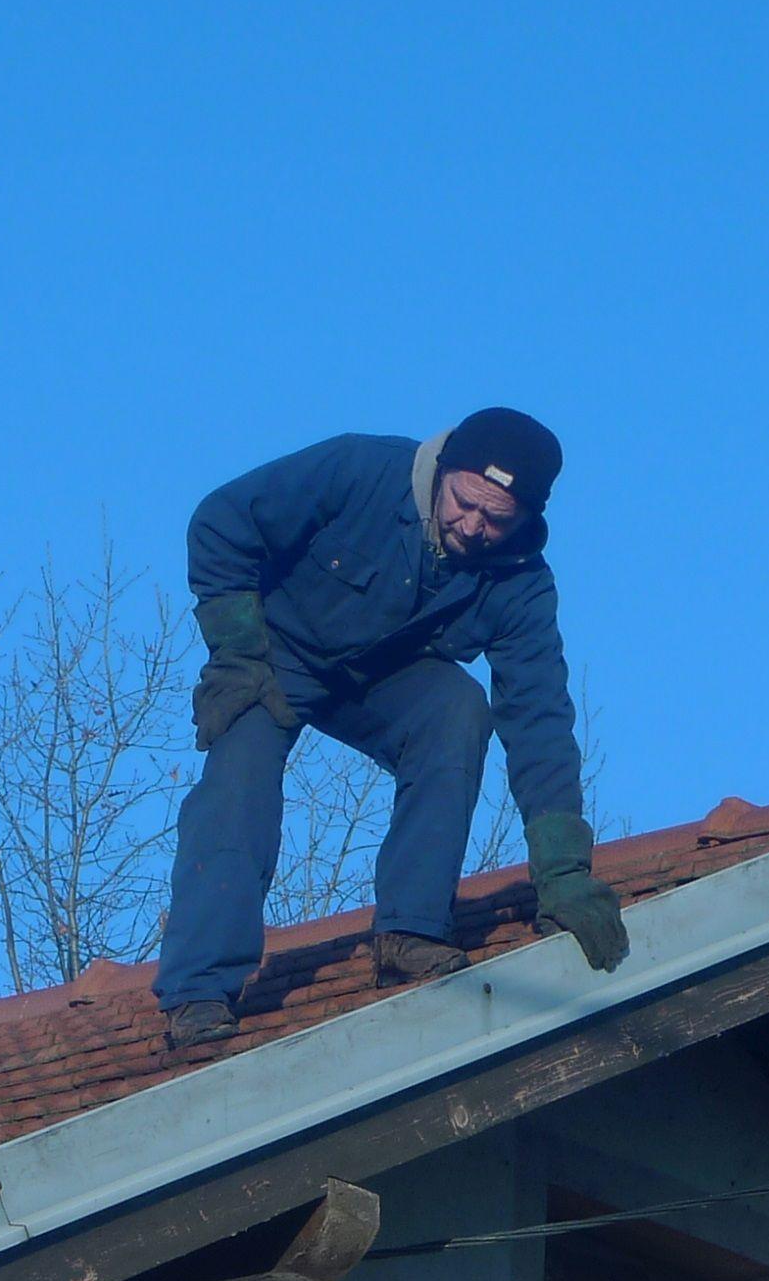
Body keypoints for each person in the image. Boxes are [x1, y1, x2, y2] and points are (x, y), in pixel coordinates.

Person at [152, 408, 627, 1049]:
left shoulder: (521, 586)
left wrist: (564, 870)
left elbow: (539, 717)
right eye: (464, 503)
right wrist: (237, 650)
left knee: (459, 707)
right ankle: (199, 991)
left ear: (527, 519)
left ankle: (410, 930)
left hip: (387, 679)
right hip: (274, 660)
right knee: (239, 784)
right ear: (445, 470)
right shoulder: (359, 469)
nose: (472, 526)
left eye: (496, 519)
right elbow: (223, 521)